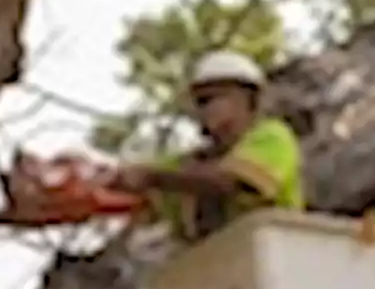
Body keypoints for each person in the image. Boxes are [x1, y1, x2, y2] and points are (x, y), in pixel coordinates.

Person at [112, 49, 305, 244]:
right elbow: (137, 190)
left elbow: (227, 182)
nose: (202, 110)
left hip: (276, 260)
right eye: (198, 103)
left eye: (210, 99)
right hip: (225, 267)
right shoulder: (188, 163)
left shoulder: (272, 137)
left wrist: (152, 177)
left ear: (249, 99)